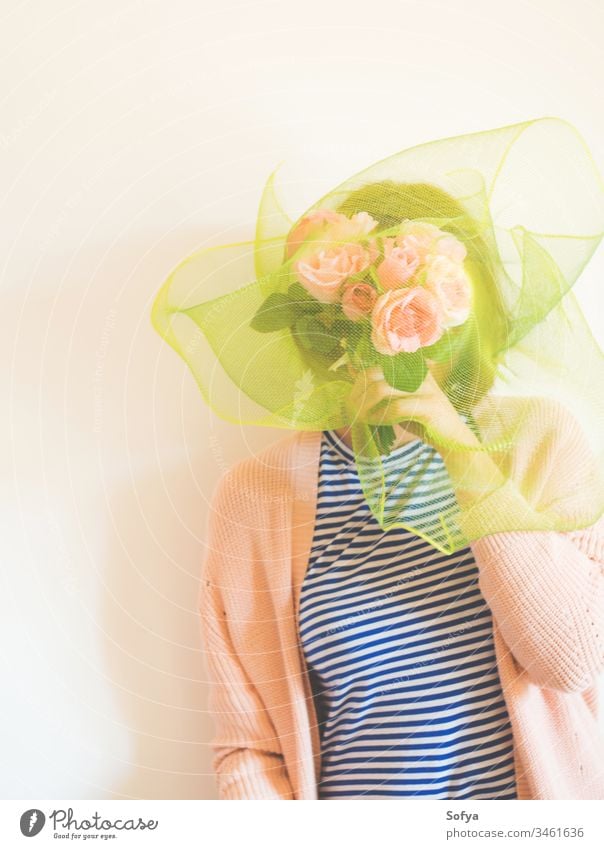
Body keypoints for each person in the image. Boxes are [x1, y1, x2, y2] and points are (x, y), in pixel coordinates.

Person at [197, 179, 604, 801]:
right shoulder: (256, 497)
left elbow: (575, 657)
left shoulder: (540, 440)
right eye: (355, 308)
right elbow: (251, 750)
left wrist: (457, 446)